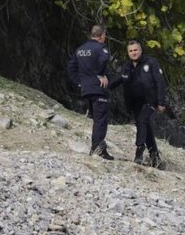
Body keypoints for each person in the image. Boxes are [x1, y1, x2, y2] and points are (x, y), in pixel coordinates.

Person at [116, 40, 167, 168]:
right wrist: (102, 85)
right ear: (128, 53)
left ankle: (139, 150)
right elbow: (117, 80)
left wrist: (161, 102)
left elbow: (160, 82)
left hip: (150, 100)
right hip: (135, 102)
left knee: (142, 120)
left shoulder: (151, 62)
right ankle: (155, 156)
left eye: (135, 50)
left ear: (140, 50)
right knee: (145, 126)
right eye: (131, 51)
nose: (133, 53)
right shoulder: (127, 66)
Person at [67, 25, 115, 160]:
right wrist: (100, 75)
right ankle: (97, 148)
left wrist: (80, 82)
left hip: (86, 90)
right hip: (98, 89)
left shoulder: (80, 49)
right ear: (102, 35)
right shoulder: (101, 48)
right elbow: (104, 60)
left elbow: (71, 69)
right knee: (101, 120)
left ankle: (99, 147)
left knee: (96, 119)